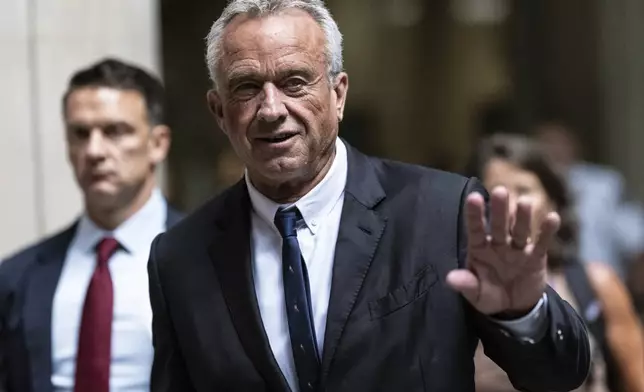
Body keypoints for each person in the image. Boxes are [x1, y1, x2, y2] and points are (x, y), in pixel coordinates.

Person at [147, 1, 590, 391]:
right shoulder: (180, 258)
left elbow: (557, 376)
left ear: (338, 94)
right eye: (246, 87)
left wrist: (523, 312)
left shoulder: (440, 213)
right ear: (219, 111)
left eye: (295, 81)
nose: (271, 109)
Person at [0, 58, 183, 392]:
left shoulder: (207, 258)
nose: (94, 150)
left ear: (157, 144)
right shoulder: (17, 277)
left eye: (115, 131)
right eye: (80, 134)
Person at [471, 133, 644, 392]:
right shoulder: (458, 292)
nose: (510, 205)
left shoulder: (594, 284)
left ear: (551, 202)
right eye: (495, 193)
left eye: (523, 190)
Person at [536, 121, 644, 279]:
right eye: (546, 144)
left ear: (574, 146)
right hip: (551, 285)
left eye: (559, 143)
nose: (554, 150)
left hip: (603, 283)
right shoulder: (529, 186)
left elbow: (635, 238)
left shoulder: (604, 184)